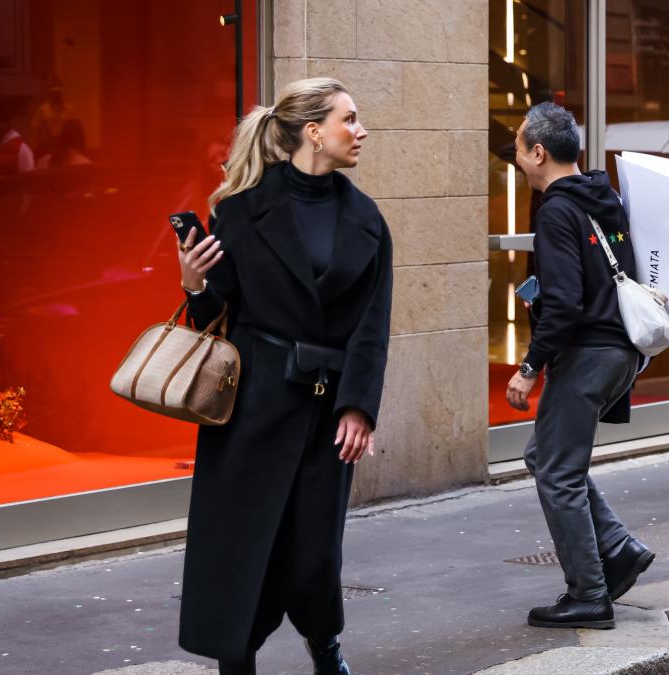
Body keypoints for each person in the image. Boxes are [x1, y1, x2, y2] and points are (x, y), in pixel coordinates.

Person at [175, 77, 391, 675]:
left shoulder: (367, 220)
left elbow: (373, 326)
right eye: (351, 118)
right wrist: (193, 283)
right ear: (313, 131)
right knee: (240, 546)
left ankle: (325, 642)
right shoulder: (240, 212)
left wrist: (359, 406)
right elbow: (218, 313)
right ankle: (235, 661)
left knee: (314, 553)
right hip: (251, 408)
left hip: (327, 413)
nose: (362, 130)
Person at [506, 102, 654, 631]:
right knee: (544, 456)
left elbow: (566, 302)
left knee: (558, 474)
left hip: (589, 353)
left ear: (539, 152)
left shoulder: (556, 210)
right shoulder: (602, 195)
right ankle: (617, 548)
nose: (517, 159)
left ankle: (589, 593)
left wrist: (529, 366)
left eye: (520, 148)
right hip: (620, 351)